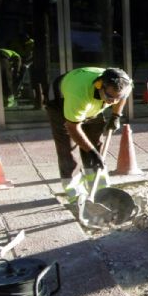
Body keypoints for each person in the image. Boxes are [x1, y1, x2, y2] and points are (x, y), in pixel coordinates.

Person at [45, 67, 132, 204]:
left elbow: (122, 97)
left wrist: (115, 116)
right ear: (99, 86)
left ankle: (99, 187)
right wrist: (91, 152)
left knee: (96, 142)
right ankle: (76, 192)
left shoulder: (125, 84)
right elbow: (73, 127)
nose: (113, 102)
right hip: (59, 100)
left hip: (91, 105)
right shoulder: (79, 94)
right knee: (69, 148)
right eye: (110, 97)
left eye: (117, 98)